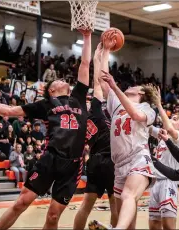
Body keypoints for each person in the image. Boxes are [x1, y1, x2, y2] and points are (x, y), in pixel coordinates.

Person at [0, 29, 92, 229]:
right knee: (22, 202)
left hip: (73, 164)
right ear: (51, 89)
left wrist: (87, 37)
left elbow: (85, 64)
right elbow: (9, 110)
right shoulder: (46, 104)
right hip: (50, 158)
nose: (64, 80)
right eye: (59, 80)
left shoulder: (78, 97)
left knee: (53, 216)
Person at [89, 34, 157, 230]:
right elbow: (103, 80)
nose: (129, 86)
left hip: (138, 158)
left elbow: (135, 115)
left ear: (142, 93)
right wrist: (107, 51)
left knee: (128, 196)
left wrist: (115, 86)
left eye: (134, 87)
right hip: (118, 164)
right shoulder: (117, 104)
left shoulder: (147, 109)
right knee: (127, 218)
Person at [73, 44, 118, 230]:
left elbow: (97, 85)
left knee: (86, 205)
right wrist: (102, 54)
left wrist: (98, 56)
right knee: (116, 205)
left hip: (95, 161)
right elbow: (99, 83)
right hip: (111, 161)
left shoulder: (91, 115)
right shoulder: (98, 112)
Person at [148, 87, 179, 230]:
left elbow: (167, 126)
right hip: (155, 183)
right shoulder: (163, 136)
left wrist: (159, 104)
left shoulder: (178, 137)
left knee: (168, 225)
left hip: (168, 182)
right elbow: (147, 127)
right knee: (154, 225)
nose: (170, 120)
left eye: (174, 119)